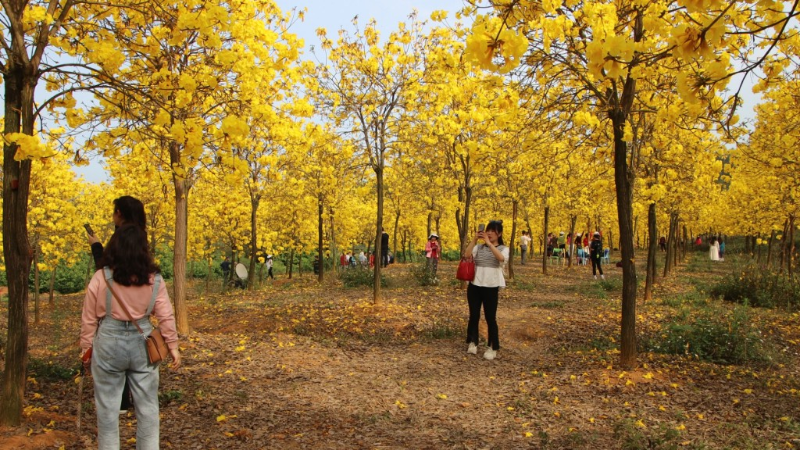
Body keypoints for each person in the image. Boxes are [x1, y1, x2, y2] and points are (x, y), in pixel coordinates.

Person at [81, 224, 180, 449]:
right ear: (143, 248)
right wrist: (172, 345)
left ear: (114, 246)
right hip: (143, 341)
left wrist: (86, 347)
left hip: (108, 340)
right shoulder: (154, 279)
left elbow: (88, 316)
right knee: (148, 409)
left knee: (107, 411)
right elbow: (166, 316)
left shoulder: (101, 276)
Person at [86, 196, 147, 413]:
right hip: (141, 321)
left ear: (119, 213)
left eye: (115, 212)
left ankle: (120, 403)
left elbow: (106, 272)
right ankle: (136, 403)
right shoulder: (141, 239)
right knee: (136, 364)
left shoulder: (120, 243)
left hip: (114, 321)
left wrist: (97, 248)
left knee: (115, 362)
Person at [465, 220, 509, 361]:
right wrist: (474, 240)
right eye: (487, 230)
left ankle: (492, 347)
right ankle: (473, 342)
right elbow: (466, 255)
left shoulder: (503, 248)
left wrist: (489, 244)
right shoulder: (479, 248)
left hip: (491, 286)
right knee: (474, 315)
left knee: (490, 318)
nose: (489, 233)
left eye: (492, 231)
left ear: (499, 233)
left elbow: (501, 259)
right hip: (475, 285)